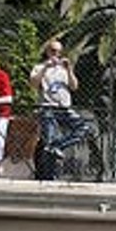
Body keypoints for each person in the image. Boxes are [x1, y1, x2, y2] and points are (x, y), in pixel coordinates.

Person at [30, 39, 79, 177]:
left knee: (83, 128)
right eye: (53, 51)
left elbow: (74, 86)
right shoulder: (39, 67)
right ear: (47, 52)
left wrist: (69, 69)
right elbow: (33, 83)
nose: (56, 54)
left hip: (64, 108)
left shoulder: (64, 69)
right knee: (49, 138)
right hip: (48, 107)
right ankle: (47, 174)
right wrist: (46, 67)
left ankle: (58, 146)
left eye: (58, 52)